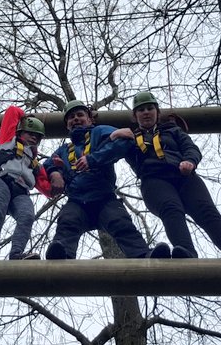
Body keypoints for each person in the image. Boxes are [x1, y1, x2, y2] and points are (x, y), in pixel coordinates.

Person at [111, 90, 221, 259]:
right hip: (154, 181)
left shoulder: (172, 130)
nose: (146, 112)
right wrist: (113, 135)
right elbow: (108, 152)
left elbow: (190, 148)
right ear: (135, 116)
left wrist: (190, 161)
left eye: (150, 108)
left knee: (207, 211)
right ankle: (187, 253)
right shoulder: (130, 139)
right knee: (171, 209)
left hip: (184, 176)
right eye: (141, 110)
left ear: (157, 112)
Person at [43, 99, 170, 260]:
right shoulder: (64, 149)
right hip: (76, 200)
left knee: (121, 223)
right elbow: (47, 163)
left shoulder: (100, 132)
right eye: (71, 117)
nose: (75, 119)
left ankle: (144, 255)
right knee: (67, 222)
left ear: (89, 119)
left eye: (80, 115)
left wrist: (94, 158)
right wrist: (55, 173)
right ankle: (61, 258)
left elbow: (125, 142)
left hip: (104, 198)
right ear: (67, 125)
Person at [0, 106, 53, 261]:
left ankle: (17, 254)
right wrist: (25, 117)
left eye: (38, 136)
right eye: (30, 133)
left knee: (27, 216)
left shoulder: (34, 163)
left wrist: (58, 171)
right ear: (20, 131)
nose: (34, 138)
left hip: (21, 191)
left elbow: (48, 189)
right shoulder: (8, 139)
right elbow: (12, 111)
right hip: (1, 179)